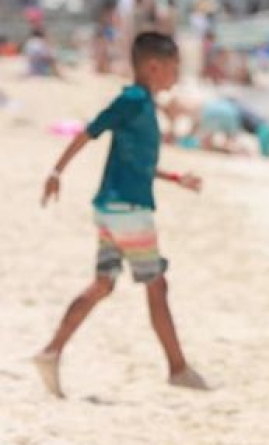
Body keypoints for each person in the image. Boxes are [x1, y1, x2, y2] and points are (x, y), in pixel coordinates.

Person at [34, 32, 208, 398]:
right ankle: (178, 369)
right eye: (174, 69)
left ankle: (51, 352)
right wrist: (56, 171)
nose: (176, 76)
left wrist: (176, 178)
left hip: (113, 209)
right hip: (128, 209)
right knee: (156, 283)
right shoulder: (132, 100)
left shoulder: (144, 105)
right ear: (154, 66)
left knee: (103, 284)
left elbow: (140, 163)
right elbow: (90, 131)